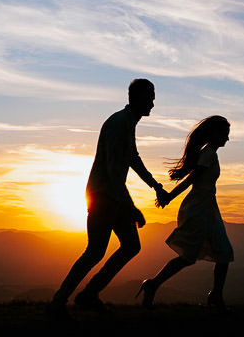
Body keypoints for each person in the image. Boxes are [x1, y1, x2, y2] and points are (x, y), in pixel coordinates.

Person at [48, 78, 169, 316]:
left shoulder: (127, 122)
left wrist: (155, 186)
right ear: (136, 98)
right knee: (95, 251)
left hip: (112, 196)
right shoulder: (119, 123)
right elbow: (114, 172)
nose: (153, 103)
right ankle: (59, 300)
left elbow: (132, 158)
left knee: (130, 246)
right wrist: (132, 207)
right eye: (150, 97)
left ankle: (88, 294)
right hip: (103, 195)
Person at [137, 115, 234, 311]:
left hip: (206, 208)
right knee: (197, 255)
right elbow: (192, 180)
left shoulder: (208, 153)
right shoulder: (208, 154)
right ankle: (153, 285)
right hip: (199, 209)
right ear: (214, 134)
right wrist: (169, 197)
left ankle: (215, 295)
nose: (227, 139)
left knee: (221, 253)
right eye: (225, 134)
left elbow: (193, 179)